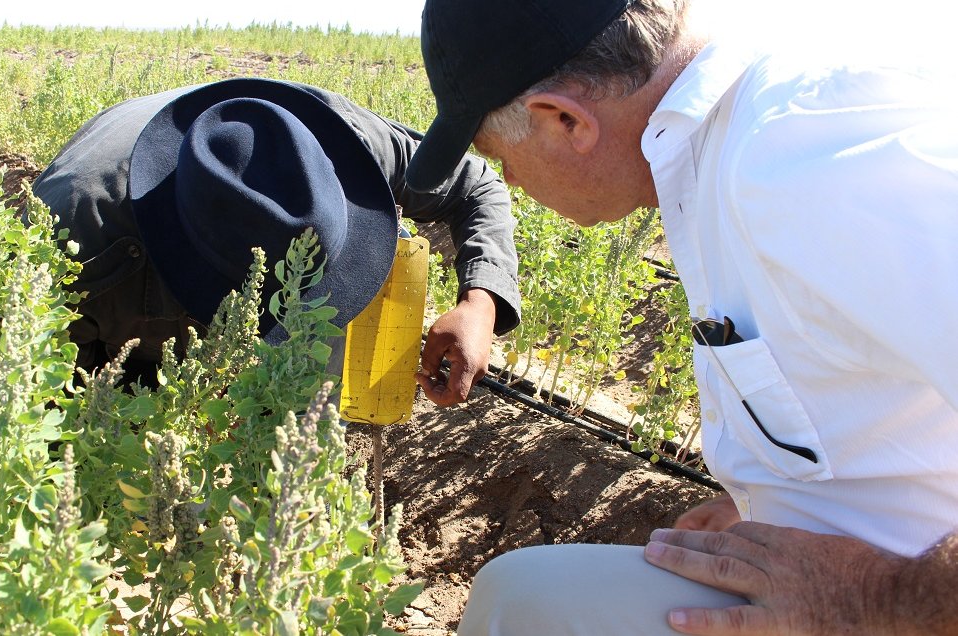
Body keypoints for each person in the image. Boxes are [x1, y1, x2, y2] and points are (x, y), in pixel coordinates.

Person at [406, 0, 958, 633]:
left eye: (499, 156)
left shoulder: (808, 158)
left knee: (519, 604)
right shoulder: (723, 147)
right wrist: (766, 498)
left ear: (563, 119)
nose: (508, 179)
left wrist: (874, 598)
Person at [32, 77, 520, 404]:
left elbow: (475, 186)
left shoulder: (342, 144)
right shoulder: (77, 243)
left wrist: (481, 303)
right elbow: (50, 417)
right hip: (117, 304)